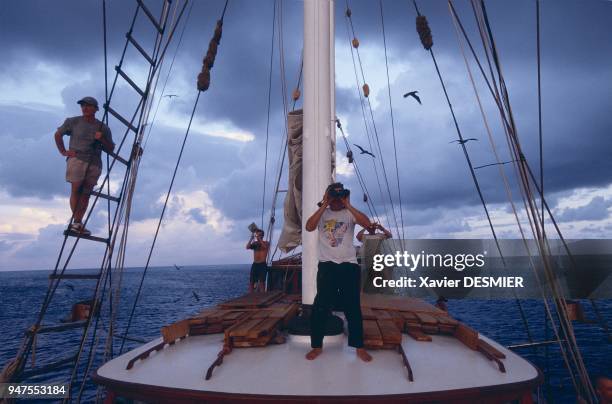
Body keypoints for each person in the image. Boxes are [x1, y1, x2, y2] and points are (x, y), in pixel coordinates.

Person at [304, 182, 373, 362]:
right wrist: (325, 203)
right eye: (334, 195)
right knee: (320, 307)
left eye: (339, 195)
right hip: (327, 266)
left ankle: (359, 347)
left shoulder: (349, 213)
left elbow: (367, 223)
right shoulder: (322, 214)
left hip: (349, 265)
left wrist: (348, 204)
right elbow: (309, 227)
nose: (337, 199)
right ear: (328, 196)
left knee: (353, 308)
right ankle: (316, 346)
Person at [54, 96, 114, 235]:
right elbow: (58, 135)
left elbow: (110, 148)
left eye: (88, 105)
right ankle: (77, 222)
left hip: (94, 162)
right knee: (76, 189)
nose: (84, 108)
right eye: (83, 105)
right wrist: (63, 152)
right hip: (77, 159)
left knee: (86, 194)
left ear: (96, 109)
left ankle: (78, 223)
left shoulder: (103, 128)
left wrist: (102, 138)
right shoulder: (73, 121)